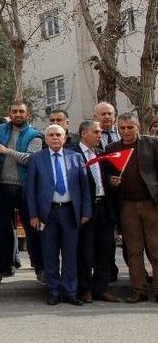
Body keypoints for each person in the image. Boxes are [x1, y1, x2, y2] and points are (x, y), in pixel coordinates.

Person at [25, 124, 90, 306]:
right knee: (50, 253)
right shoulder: (37, 159)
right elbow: (30, 190)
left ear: (65, 138)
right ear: (46, 139)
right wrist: (33, 215)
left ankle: (70, 291)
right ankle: (53, 290)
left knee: (70, 254)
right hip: (48, 213)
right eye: (51, 135)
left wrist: (85, 212)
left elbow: (84, 188)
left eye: (58, 135)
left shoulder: (76, 158)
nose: (54, 138)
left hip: (70, 211)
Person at [0, 102, 44, 287]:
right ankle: (0, 270)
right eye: (14, 111)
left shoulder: (35, 135)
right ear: (9, 113)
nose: (18, 114)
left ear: (27, 114)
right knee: (0, 231)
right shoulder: (0, 130)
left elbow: (31, 159)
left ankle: (41, 269)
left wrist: (7, 151)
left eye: (21, 111)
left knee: (33, 231)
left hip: (25, 189)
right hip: (2, 189)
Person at [105, 114, 158, 303]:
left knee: (156, 248)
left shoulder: (152, 144)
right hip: (126, 206)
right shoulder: (112, 149)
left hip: (151, 204)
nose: (126, 132)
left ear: (137, 126)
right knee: (133, 250)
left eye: (130, 127)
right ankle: (139, 290)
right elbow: (107, 177)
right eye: (122, 128)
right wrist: (112, 182)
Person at [73, 120, 119, 303]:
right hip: (86, 209)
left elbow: (103, 178)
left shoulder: (101, 154)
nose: (100, 135)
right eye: (96, 132)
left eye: (100, 132)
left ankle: (102, 288)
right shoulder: (73, 154)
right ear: (84, 133)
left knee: (106, 250)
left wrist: (110, 180)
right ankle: (85, 289)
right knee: (85, 251)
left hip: (104, 209)